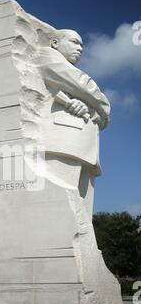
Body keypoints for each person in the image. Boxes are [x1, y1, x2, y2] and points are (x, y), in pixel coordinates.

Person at [36, 29, 111, 219]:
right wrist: (101, 106)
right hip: (62, 141)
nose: (80, 49)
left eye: (82, 46)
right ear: (54, 43)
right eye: (75, 42)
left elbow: (100, 116)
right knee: (59, 211)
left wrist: (93, 110)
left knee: (81, 215)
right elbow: (84, 86)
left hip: (82, 144)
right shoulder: (47, 56)